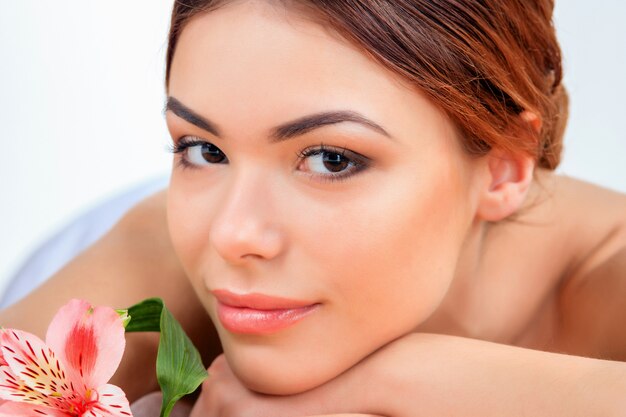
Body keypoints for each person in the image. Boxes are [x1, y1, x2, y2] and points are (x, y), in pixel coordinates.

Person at [1, 0, 625, 415]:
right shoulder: (173, 245)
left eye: (331, 159)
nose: (233, 234)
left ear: (504, 165)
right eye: (203, 149)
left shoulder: (608, 272)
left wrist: (395, 380)